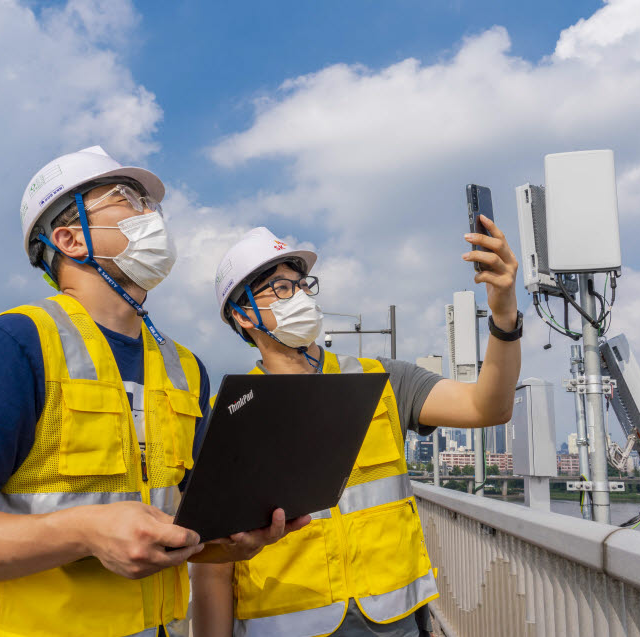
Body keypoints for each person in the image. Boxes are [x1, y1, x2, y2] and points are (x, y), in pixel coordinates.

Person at [0, 146, 307, 637]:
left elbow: (187, 527)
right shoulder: (12, 346)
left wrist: (235, 540)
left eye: (151, 205)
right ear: (69, 239)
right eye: (127, 200)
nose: (151, 216)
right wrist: (85, 532)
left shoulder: (185, 369)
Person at [192, 221, 522, 637]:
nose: (298, 296)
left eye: (301, 284)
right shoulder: (232, 414)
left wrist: (504, 315)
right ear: (242, 315)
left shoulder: (382, 381)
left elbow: (488, 406)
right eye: (279, 288)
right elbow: (214, 567)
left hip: (395, 622)